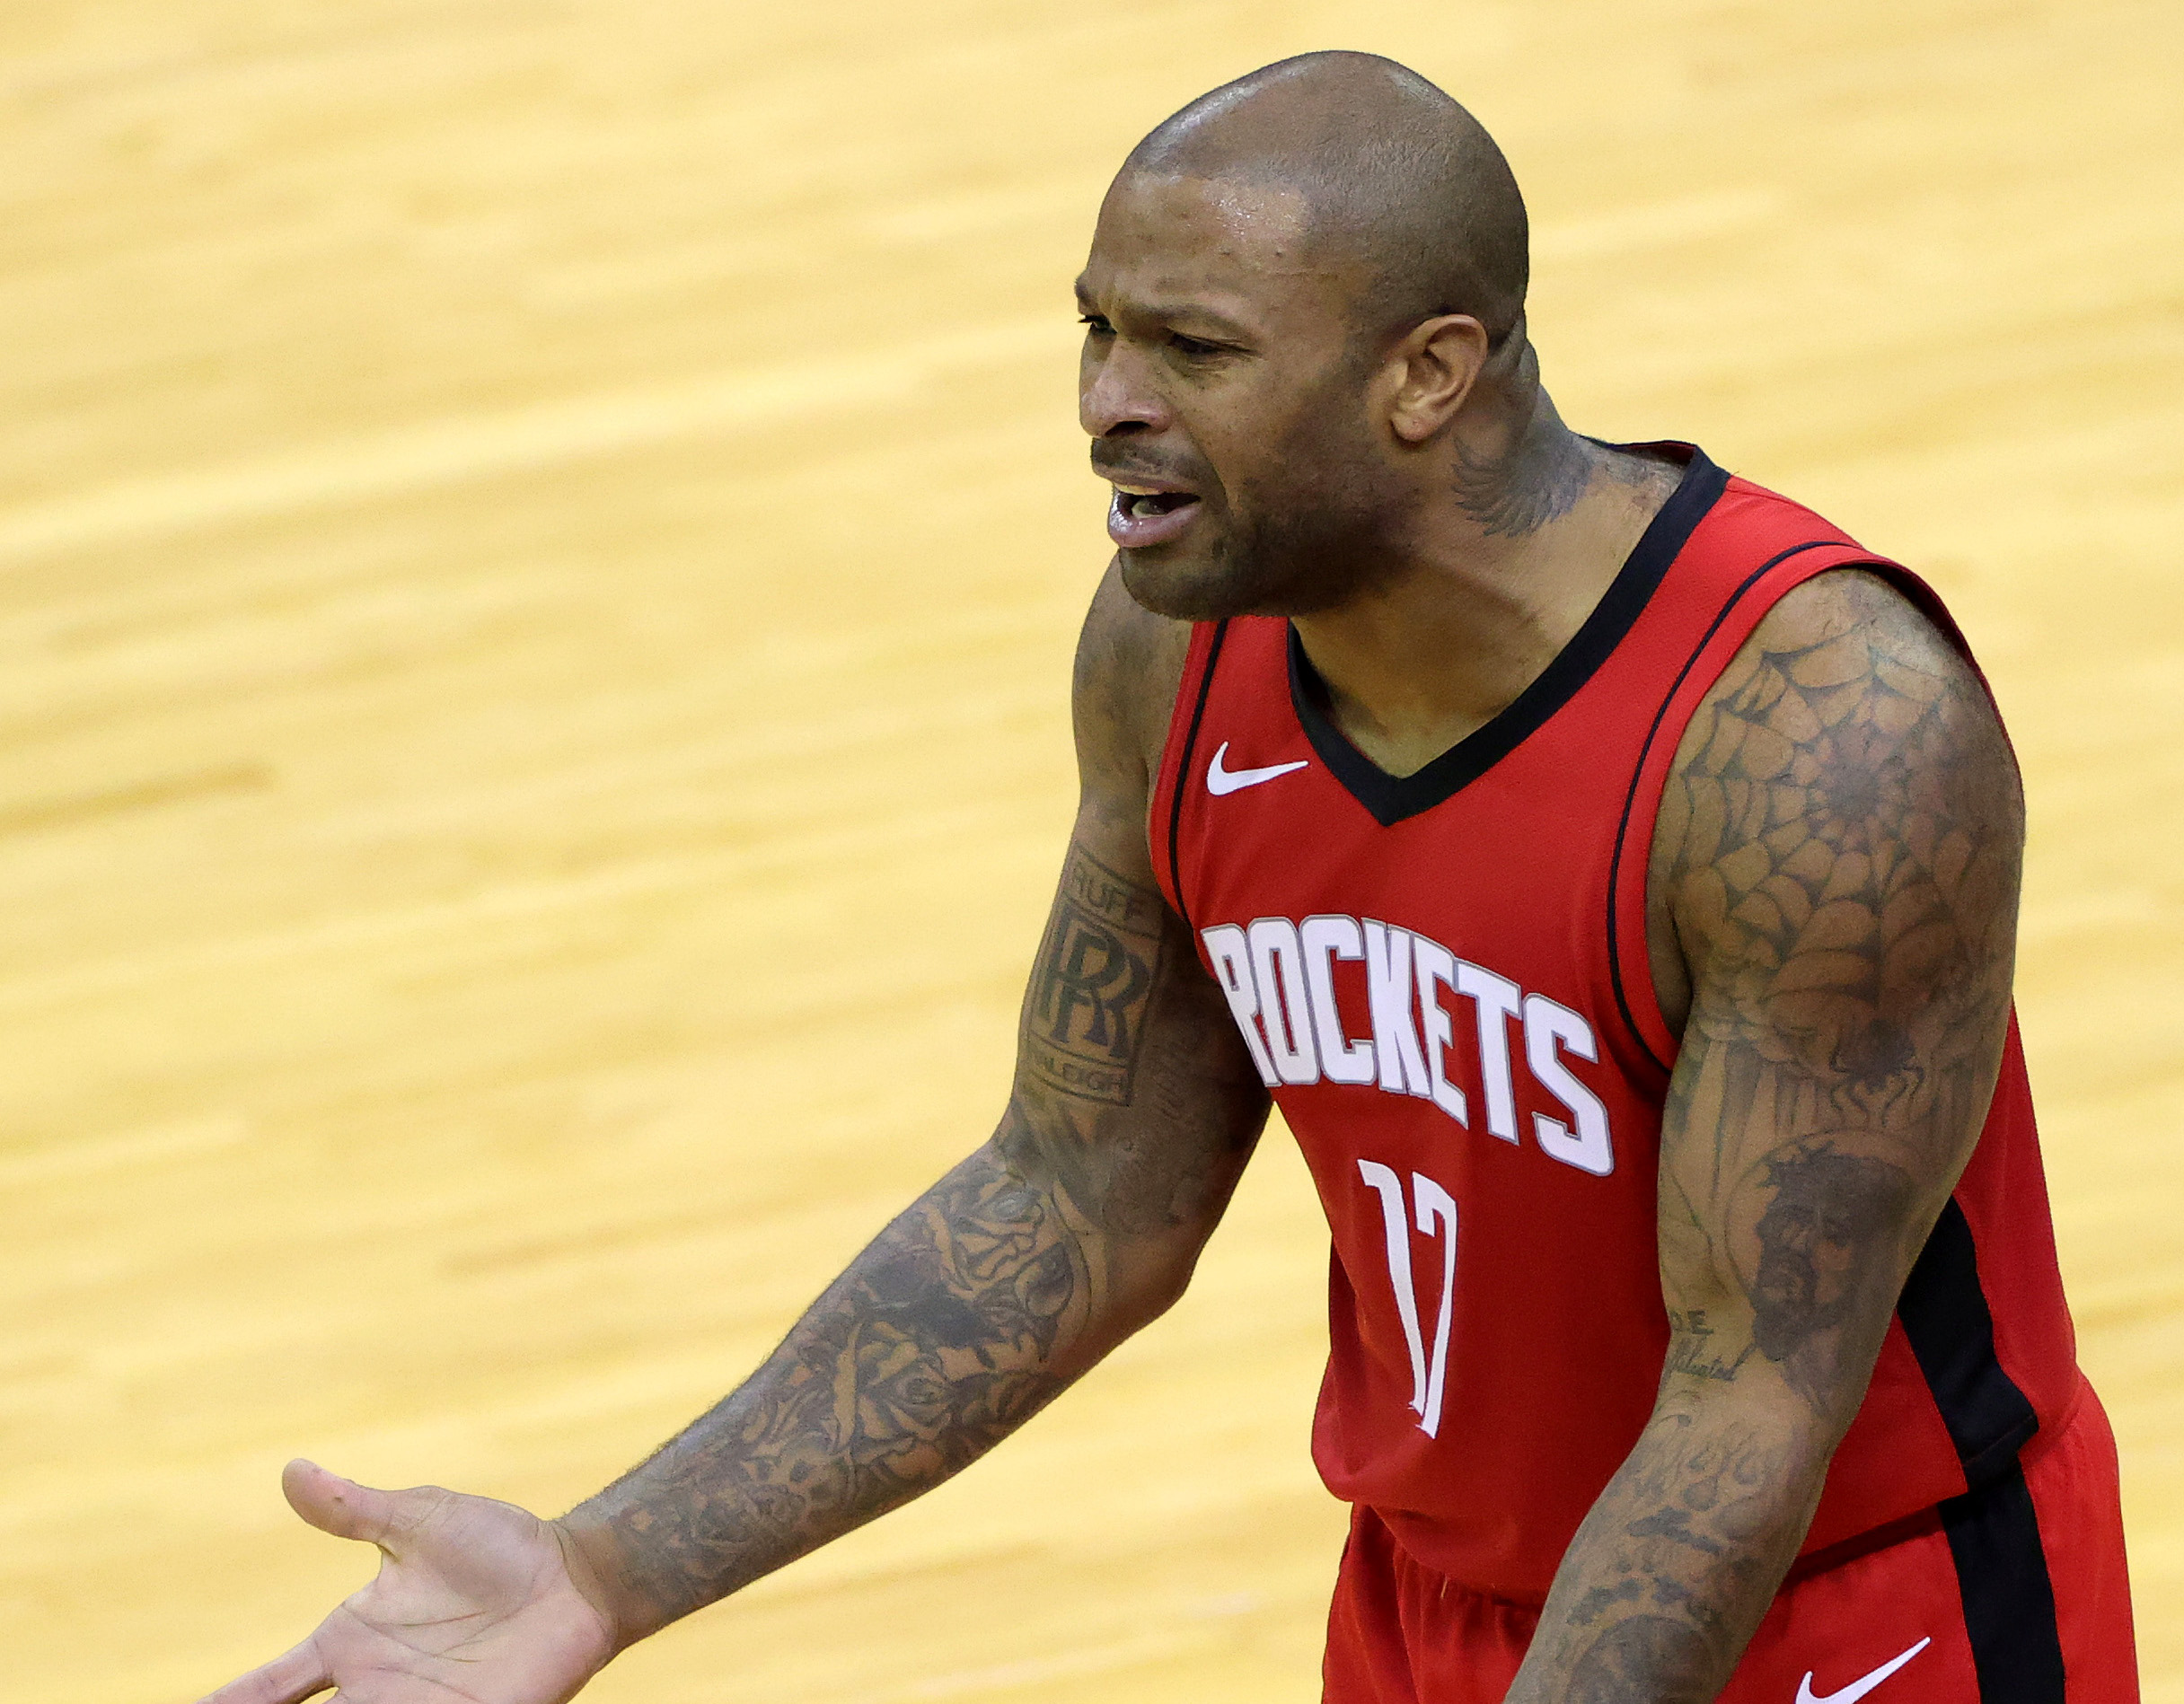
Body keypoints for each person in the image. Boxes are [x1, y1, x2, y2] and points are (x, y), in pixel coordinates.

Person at [198, 51, 2137, 1704]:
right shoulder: (1178, 653)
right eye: (1095, 329)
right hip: (1434, 1604)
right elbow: (1078, 1190)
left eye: (1191, 350)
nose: (1106, 403)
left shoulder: (1818, 738)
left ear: (1427, 374)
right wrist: (595, 1572)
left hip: (1854, 1615)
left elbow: (1743, 1404)